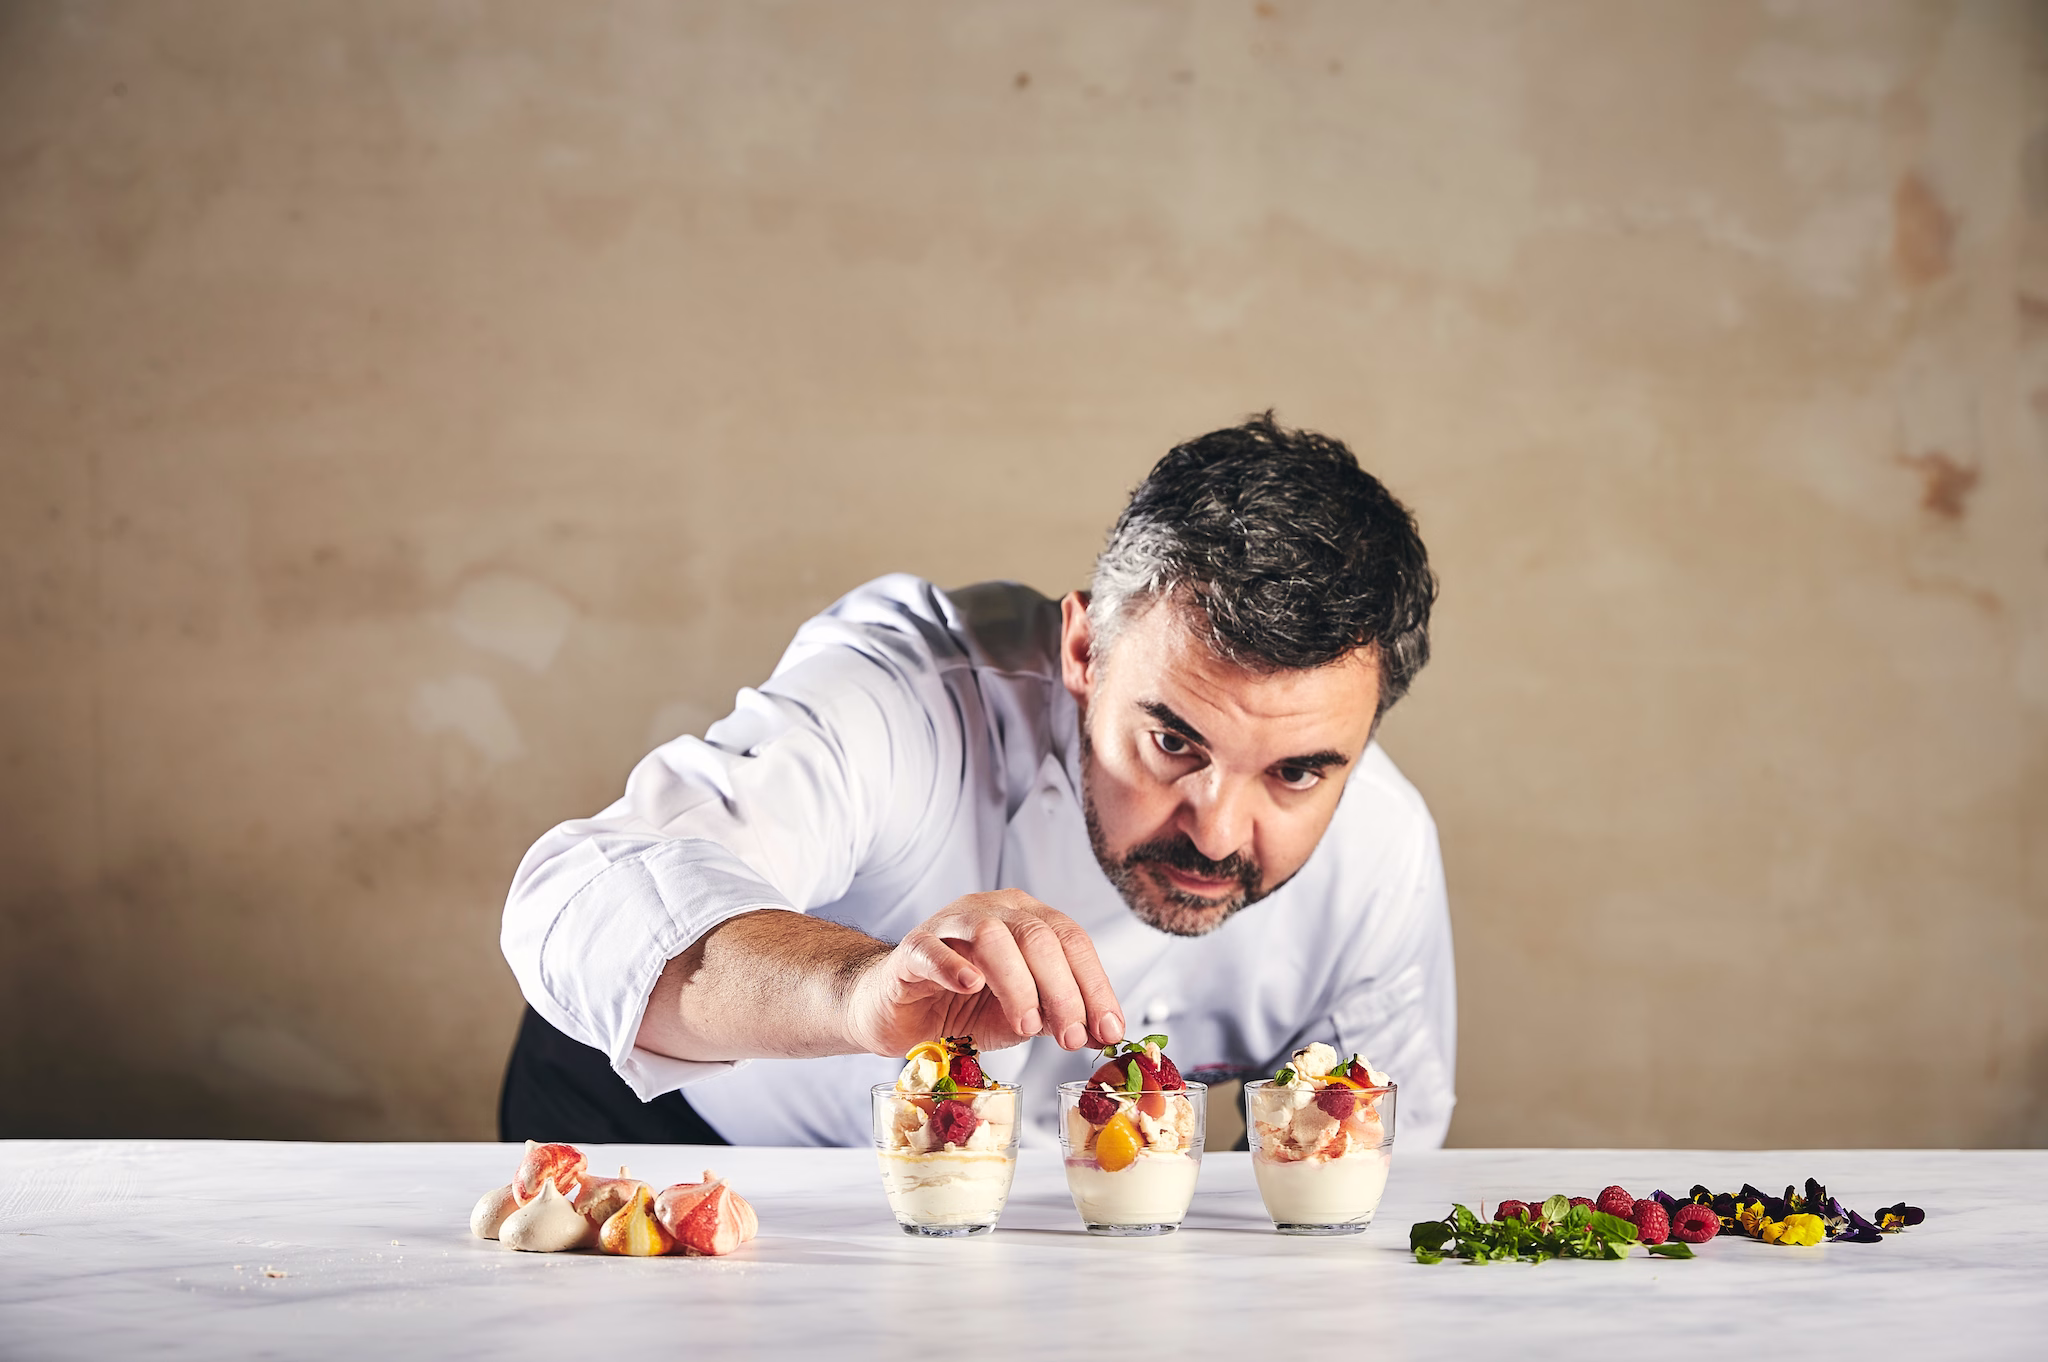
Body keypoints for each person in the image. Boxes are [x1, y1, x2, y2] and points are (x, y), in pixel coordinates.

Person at [498, 413, 1455, 1150]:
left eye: (1294, 773)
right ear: (1085, 648)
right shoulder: (909, 696)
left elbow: (1374, 1167)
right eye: (1173, 744)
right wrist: (857, 990)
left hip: (1018, 1221)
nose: (1216, 833)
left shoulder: (1380, 850)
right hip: (683, 1136)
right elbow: (577, 898)